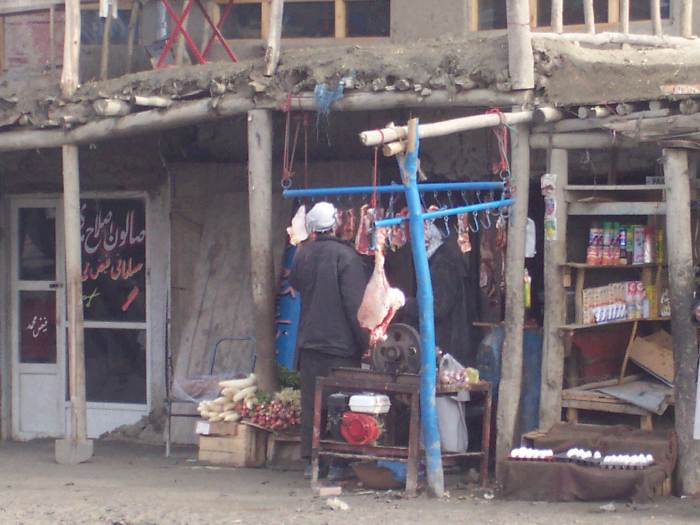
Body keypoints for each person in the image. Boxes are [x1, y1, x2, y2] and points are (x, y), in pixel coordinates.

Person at [289, 201, 370, 479]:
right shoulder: (346, 257)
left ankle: (312, 461)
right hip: (340, 348)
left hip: (309, 345)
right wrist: (365, 343)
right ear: (336, 224)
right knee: (341, 405)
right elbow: (355, 305)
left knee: (312, 405)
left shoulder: (303, 255)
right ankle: (339, 462)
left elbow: (295, 284)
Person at [398, 222, 476, 367]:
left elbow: (437, 307)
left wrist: (405, 303)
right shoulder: (440, 260)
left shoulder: (443, 263)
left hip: (449, 346)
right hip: (447, 343)